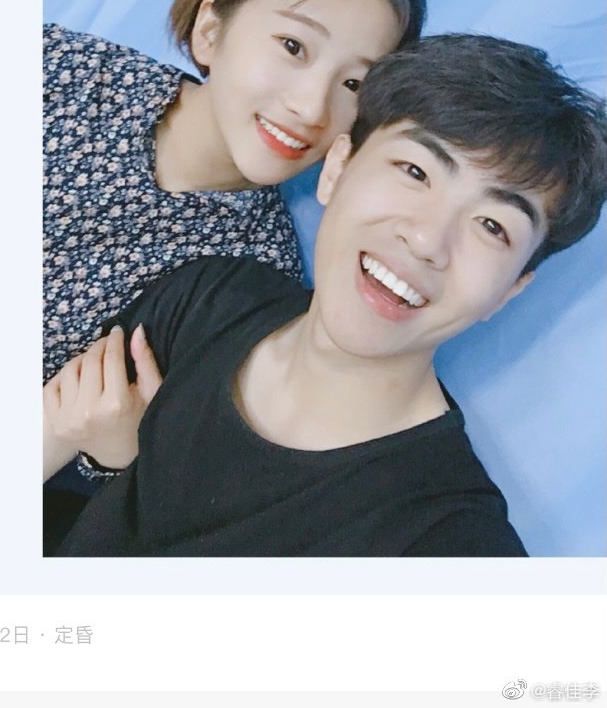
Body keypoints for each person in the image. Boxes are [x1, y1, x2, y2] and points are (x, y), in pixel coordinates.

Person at [43, 33, 607, 557]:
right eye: (415, 171)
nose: (426, 240)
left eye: (492, 226)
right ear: (337, 168)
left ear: (509, 292)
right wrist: (111, 460)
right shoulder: (208, 296)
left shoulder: (448, 543)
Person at [44, 0, 426, 384]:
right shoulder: (61, 70)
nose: (312, 108)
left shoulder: (249, 283)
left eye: (353, 84)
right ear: (210, 31)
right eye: (293, 47)